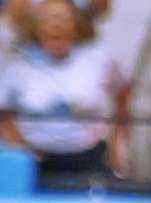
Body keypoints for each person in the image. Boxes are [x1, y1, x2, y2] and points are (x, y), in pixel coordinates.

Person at [0, 0, 127, 188]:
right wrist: (20, 146)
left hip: (88, 162)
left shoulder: (98, 59)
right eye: (49, 18)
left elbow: (123, 93)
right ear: (36, 26)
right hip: (36, 165)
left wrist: (118, 142)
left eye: (63, 18)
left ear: (76, 25)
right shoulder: (18, 65)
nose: (56, 25)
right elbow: (4, 111)